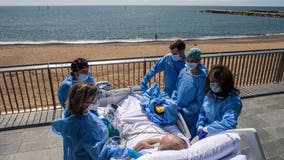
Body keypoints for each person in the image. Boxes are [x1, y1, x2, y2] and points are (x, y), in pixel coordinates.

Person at [52, 82, 141, 160]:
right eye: (90, 102)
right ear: (81, 102)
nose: (91, 104)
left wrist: (101, 121)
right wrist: (128, 152)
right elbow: (100, 154)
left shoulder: (69, 113)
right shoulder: (87, 128)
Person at [196, 65, 243, 140]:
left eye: (215, 81)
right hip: (206, 132)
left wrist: (208, 129)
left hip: (222, 135)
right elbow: (203, 112)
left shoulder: (233, 101)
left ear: (224, 82)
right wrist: (200, 125)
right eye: (210, 81)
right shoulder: (210, 95)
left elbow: (229, 123)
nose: (212, 84)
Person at [173, 48, 208, 139]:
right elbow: (177, 89)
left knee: (186, 139)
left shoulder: (201, 78)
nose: (188, 63)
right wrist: (173, 102)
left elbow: (200, 102)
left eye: (192, 61)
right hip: (177, 112)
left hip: (190, 117)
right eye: (187, 60)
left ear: (199, 61)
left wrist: (185, 110)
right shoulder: (183, 72)